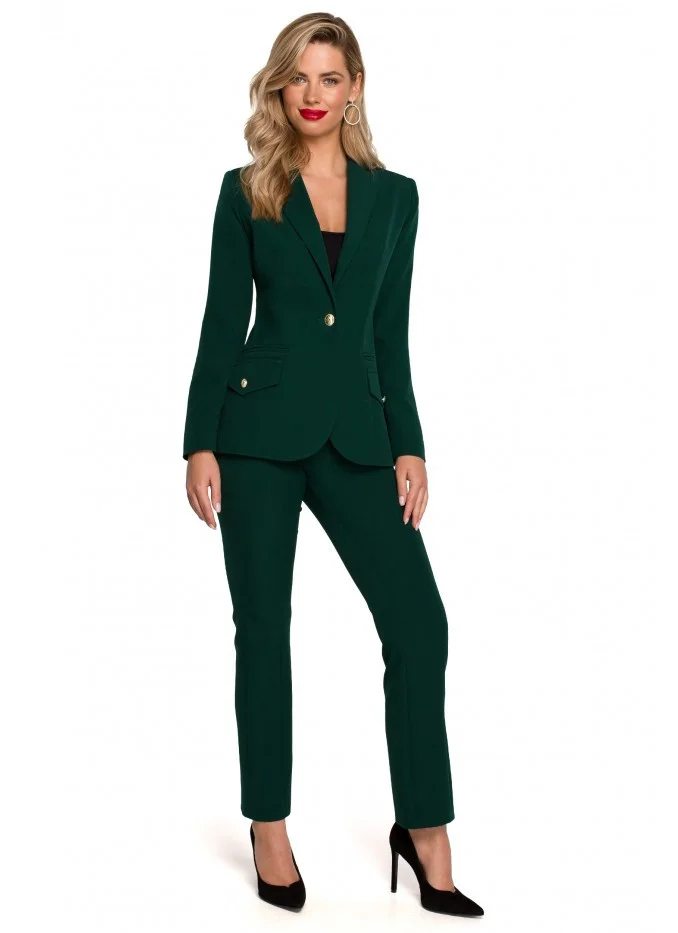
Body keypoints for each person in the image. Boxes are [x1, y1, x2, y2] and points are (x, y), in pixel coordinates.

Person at [182, 12, 483, 918]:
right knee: (263, 630)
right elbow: (220, 320)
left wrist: (409, 442)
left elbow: (390, 333)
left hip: (358, 433)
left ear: (354, 88)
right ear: (280, 87)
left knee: (419, 623)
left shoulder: (397, 198)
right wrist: (199, 439)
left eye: (330, 77)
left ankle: (425, 829)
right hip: (255, 436)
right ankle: (268, 826)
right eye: (299, 77)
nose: (312, 93)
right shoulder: (246, 190)